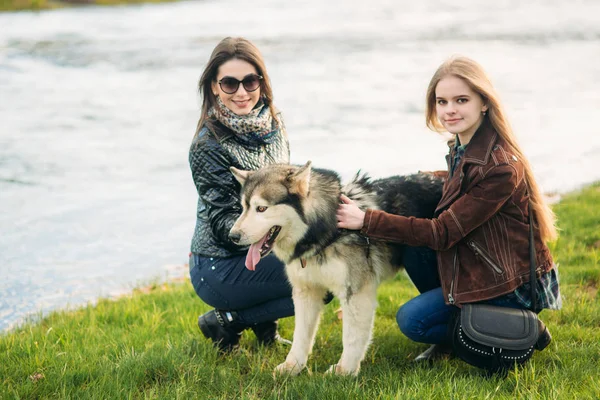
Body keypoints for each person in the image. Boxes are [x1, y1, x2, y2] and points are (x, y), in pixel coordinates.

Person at [336, 56, 561, 365]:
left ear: (484, 102)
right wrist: (416, 179)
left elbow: (443, 232)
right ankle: (460, 328)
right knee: (415, 249)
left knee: (412, 320)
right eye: (442, 101)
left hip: (509, 283)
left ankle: (517, 328)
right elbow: (461, 191)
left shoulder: (500, 167)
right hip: (484, 264)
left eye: (461, 100)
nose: (449, 110)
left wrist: (366, 220)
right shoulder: (463, 147)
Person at [188, 37, 294, 352]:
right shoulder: (207, 145)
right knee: (319, 275)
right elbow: (223, 222)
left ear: (261, 81)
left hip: (257, 249)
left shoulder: (275, 122)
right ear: (213, 87)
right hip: (218, 263)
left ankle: (265, 327)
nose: (242, 92)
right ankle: (227, 320)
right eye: (230, 83)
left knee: (324, 255)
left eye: (250, 81)